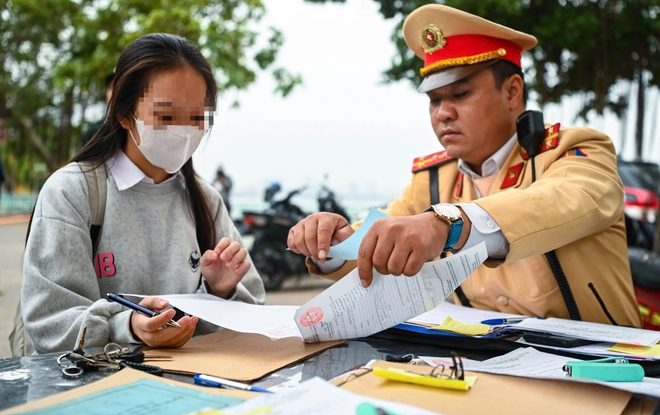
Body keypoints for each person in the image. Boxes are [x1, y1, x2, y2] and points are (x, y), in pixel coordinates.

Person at [287, 4, 641, 327]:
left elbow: (557, 200)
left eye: (459, 95)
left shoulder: (576, 150)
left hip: (601, 369)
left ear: (512, 92)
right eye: (434, 100)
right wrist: (334, 245)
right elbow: (378, 246)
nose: (443, 113)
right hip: (486, 367)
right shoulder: (433, 178)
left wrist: (445, 225)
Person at [16, 33, 265, 355]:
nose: (183, 130)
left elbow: (253, 310)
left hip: (187, 387)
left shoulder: (205, 200)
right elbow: (49, 323)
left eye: (196, 118)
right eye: (165, 116)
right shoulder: (71, 192)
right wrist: (129, 327)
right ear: (123, 114)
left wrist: (220, 292)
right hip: (93, 391)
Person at [79, 72, 115, 148]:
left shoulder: (139, 130)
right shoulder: (93, 133)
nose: (114, 92)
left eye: (119, 87)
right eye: (111, 87)